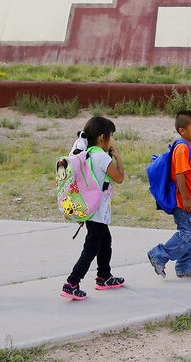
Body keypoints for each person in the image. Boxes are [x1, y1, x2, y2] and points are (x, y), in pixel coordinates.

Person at [61, 116, 126, 300]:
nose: (112, 140)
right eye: (111, 136)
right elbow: (119, 178)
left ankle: (104, 276)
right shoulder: (102, 158)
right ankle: (72, 283)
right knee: (91, 248)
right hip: (98, 213)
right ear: (103, 137)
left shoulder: (86, 154)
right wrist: (118, 157)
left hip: (91, 211)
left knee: (105, 243)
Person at [148, 110, 191, 278]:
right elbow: (179, 174)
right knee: (186, 232)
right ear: (182, 130)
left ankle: (185, 265)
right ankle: (159, 255)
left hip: (190, 199)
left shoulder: (188, 147)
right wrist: (186, 197)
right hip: (183, 200)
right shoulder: (182, 148)